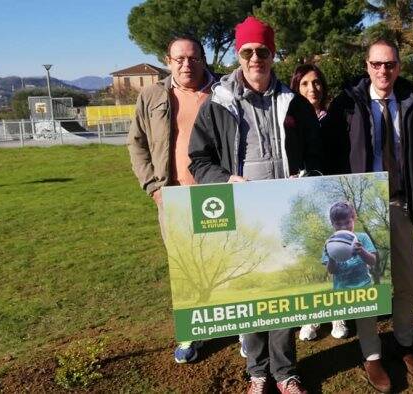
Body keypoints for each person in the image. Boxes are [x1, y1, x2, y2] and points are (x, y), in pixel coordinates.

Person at [188, 16, 321, 394]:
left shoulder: (293, 101)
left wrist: (307, 176)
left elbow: (315, 152)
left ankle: (286, 372)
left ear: (273, 53)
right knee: (248, 293)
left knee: (283, 294)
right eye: (247, 52)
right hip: (242, 212)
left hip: (286, 210)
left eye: (262, 51)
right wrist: (227, 180)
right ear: (238, 54)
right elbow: (199, 160)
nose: (255, 58)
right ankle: (257, 371)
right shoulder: (218, 102)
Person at [323, 38, 413, 392]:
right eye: (376, 64)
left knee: (406, 282)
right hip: (363, 208)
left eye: (390, 64)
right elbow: (329, 151)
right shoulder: (348, 104)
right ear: (367, 66)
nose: (383, 70)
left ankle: (405, 345)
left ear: (398, 66)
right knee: (366, 284)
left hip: (399, 205)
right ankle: (371, 354)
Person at [126, 35, 215, 364]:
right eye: (179, 59)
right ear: (167, 61)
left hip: (219, 192)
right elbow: (136, 144)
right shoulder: (152, 95)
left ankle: (236, 328)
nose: (186, 65)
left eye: (192, 58)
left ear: (202, 59)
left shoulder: (222, 92)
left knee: (224, 262)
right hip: (174, 195)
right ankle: (192, 332)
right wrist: (153, 186)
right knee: (185, 268)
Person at [290, 65, 349, 341]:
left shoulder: (334, 117)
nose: (312, 89)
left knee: (334, 255)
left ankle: (338, 315)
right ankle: (311, 318)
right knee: (310, 256)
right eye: (304, 84)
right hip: (303, 198)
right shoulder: (289, 120)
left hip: (331, 196)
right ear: (296, 87)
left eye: (316, 83)